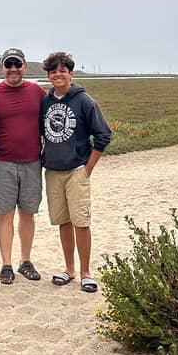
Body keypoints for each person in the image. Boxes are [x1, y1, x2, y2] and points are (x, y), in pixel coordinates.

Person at [40, 51, 112, 293]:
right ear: (49, 76)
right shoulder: (46, 102)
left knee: (81, 221)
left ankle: (85, 272)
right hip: (52, 170)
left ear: (71, 73)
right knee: (63, 221)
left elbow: (103, 135)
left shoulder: (84, 101)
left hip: (76, 170)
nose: (58, 75)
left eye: (63, 70)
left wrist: (87, 169)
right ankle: (69, 269)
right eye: (53, 71)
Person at [0, 48, 47, 285]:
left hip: (32, 162)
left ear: (25, 67)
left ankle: (26, 261)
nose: (13, 69)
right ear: (1, 68)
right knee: (5, 213)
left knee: (28, 213)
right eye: (8, 64)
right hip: (2, 163)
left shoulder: (37, 92)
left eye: (17, 64)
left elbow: (55, 116)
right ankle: (6, 264)